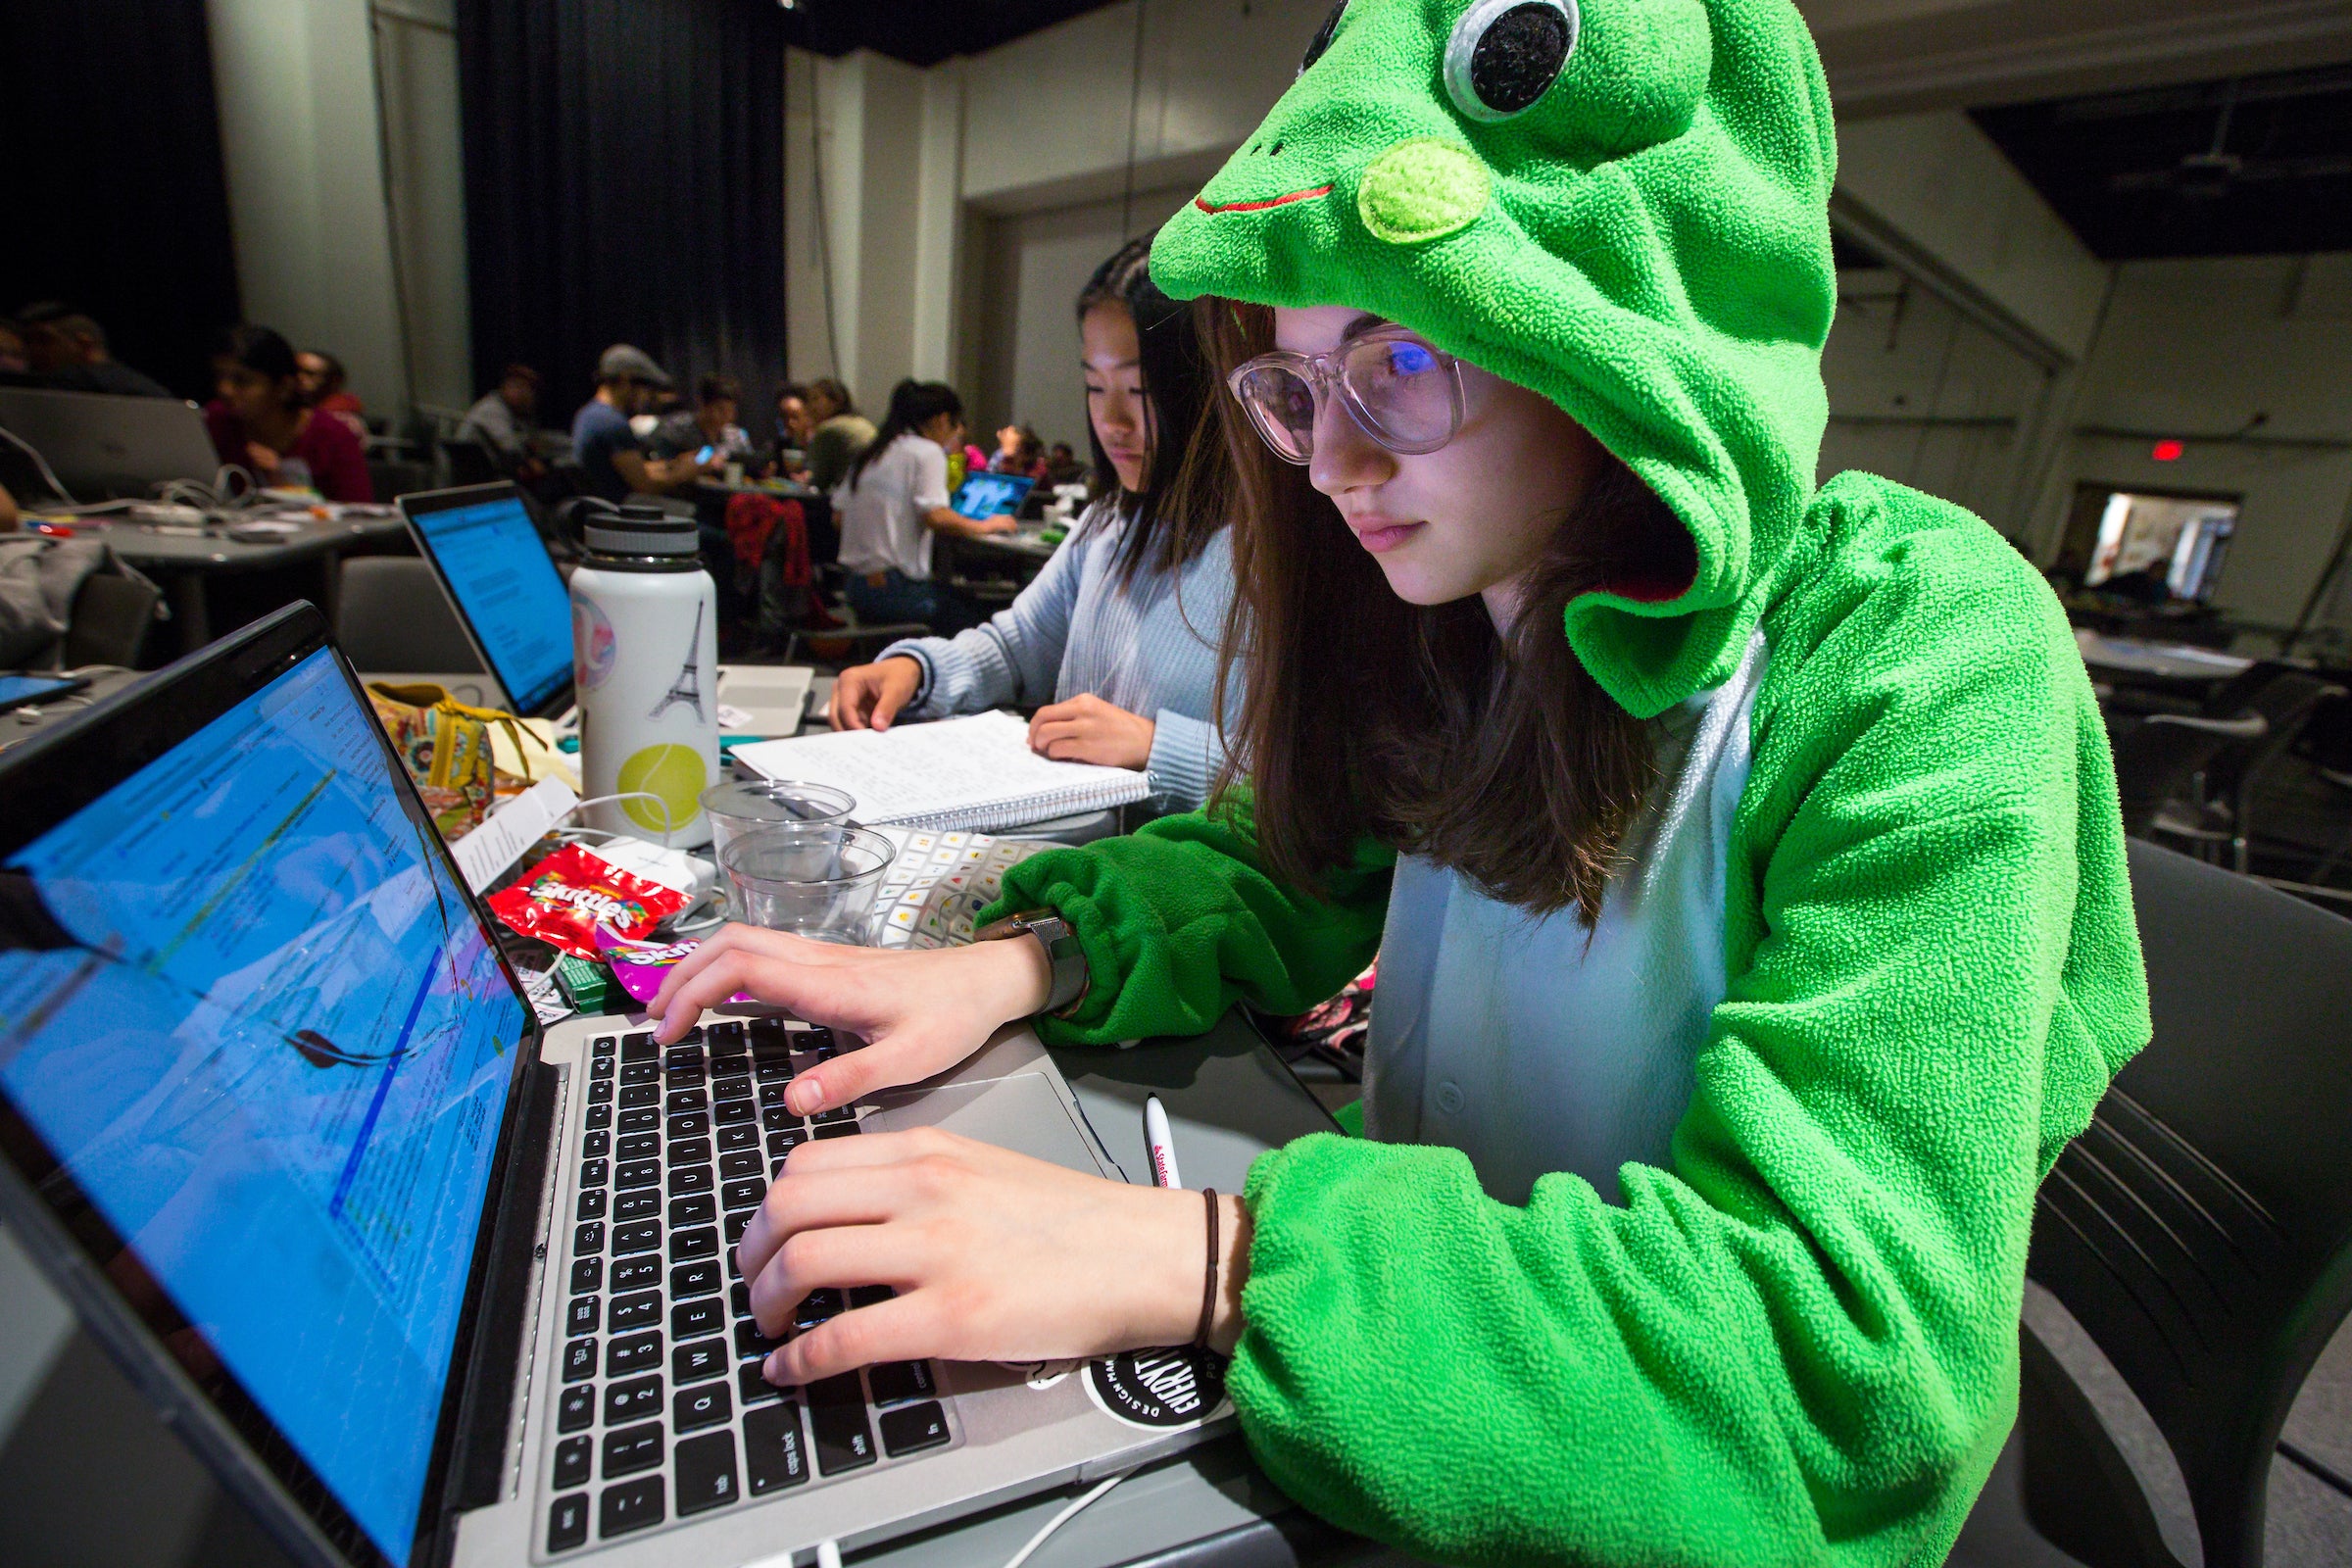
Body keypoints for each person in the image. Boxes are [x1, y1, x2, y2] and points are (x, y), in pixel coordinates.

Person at [646, 1, 2153, 1564]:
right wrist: (1027, 960)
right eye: (1294, 392)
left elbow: (1828, 1373)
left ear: (1617, 312)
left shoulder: (1915, 641)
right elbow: (1284, 864)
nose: (1335, 465)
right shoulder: (1464, 608)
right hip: (1455, 1380)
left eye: (1403, 360)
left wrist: (1229, 1264)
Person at [829, 235, 1239, 812]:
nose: (1111, 422)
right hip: (1088, 853)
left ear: (1212, 387)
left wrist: (1156, 747)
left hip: (1189, 884)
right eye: (1095, 387)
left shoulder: (1266, 553)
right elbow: (1017, 647)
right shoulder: (1108, 523)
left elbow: (1322, 794)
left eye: (1139, 391)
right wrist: (916, 671)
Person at [831, 379, 1013, 635]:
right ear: (941, 419)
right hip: (896, 591)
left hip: (856, 587)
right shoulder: (926, 452)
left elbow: (838, 518)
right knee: (984, 622)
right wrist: (988, 524)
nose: (956, 431)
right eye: (955, 423)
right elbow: (936, 517)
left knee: (953, 598)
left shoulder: (870, 453)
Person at [203, 325, 372, 502]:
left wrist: (285, 484)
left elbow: (360, 514)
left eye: (242, 381)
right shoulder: (216, 419)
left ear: (284, 386)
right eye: (219, 377)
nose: (225, 390)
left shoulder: (332, 436)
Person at [569, 344, 714, 505]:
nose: (646, 397)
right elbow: (645, 486)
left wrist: (671, 465)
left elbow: (629, 470)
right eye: (645, 389)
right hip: (624, 514)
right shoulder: (613, 424)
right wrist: (685, 473)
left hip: (605, 512)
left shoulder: (590, 414)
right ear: (625, 380)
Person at [18, 306, 172, 398]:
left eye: (44, 340)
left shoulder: (72, 381)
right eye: (28, 342)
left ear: (85, 344)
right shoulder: (144, 386)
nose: (33, 350)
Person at [455, 364, 547, 477]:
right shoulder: (491, 408)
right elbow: (509, 448)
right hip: (477, 478)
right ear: (505, 387)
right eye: (517, 386)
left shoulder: (513, 413)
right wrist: (530, 462)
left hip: (490, 474)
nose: (524, 393)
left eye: (528, 389)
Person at [659, 374, 753, 466]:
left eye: (731, 410)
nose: (728, 416)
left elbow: (749, 466)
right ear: (703, 404)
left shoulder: (737, 436)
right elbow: (662, 466)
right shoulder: (676, 429)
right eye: (721, 409)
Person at [800, 377, 873, 494]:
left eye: (815, 399)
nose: (810, 406)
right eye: (808, 400)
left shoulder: (829, 428)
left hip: (852, 497)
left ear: (837, 401)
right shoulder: (863, 422)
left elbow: (819, 482)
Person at [296, 350, 368, 436]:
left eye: (310, 374)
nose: (299, 377)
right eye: (295, 371)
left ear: (333, 381)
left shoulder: (342, 418)